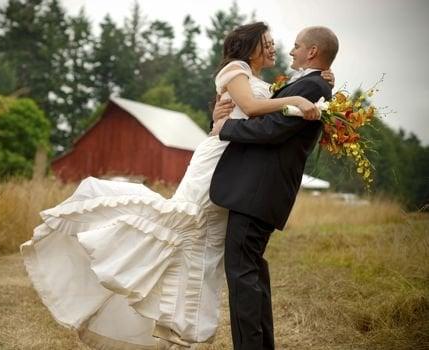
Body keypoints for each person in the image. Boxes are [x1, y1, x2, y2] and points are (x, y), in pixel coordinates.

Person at [20, 22, 335, 350]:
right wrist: (295, 99)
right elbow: (253, 110)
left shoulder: (269, 83)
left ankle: (182, 327)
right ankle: (115, 258)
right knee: (183, 226)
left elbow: (264, 114)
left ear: (313, 52)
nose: (277, 48)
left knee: (204, 246)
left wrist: (319, 81)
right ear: (251, 45)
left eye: (283, 43)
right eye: (267, 42)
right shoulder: (235, 68)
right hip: (220, 162)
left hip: (238, 167)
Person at [209, 25, 339, 350]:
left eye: (296, 46)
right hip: (259, 190)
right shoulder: (310, 83)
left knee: (242, 275)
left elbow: (271, 130)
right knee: (251, 272)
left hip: (257, 191)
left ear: (312, 52)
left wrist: (226, 128)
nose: (289, 50)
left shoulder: (312, 86)